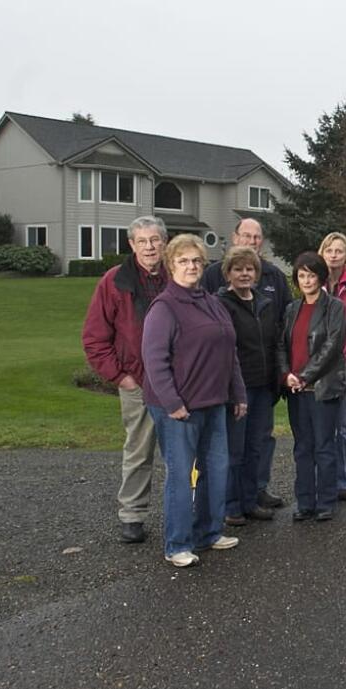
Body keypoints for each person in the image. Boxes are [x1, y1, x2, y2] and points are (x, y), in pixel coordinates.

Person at [141, 234, 247, 568]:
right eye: (184, 261)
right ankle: (178, 543)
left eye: (197, 261)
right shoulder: (164, 307)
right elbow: (154, 359)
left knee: (215, 470)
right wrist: (173, 404)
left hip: (214, 402)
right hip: (178, 408)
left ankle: (209, 532)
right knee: (181, 475)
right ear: (171, 265)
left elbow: (230, 353)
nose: (191, 266)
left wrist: (239, 393)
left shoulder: (212, 302)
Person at [82, 216, 168, 544]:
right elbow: (95, 337)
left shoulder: (178, 275)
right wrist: (119, 376)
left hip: (177, 382)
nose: (149, 247)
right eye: (142, 241)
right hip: (139, 383)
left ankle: (189, 511)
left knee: (184, 451)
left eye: (155, 240)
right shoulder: (115, 281)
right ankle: (132, 514)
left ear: (164, 241)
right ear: (131, 245)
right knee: (139, 449)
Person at [203, 217, 291, 510]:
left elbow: (283, 327)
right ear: (235, 236)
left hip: (264, 379)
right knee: (233, 445)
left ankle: (256, 492)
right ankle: (230, 501)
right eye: (246, 235)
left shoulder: (274, 278)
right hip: (232, 382)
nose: (252, 241)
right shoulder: (214, 280)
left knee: (260, 441)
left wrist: (281, 373)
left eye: (257, 237)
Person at [278, 252, 346, 522]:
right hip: (296, 389)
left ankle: (326, 501)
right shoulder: (291, 309)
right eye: (302, 275)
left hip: (322, 388)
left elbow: (332, 346)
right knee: (302, 447)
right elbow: (281, 345)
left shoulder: (334, 307)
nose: (307, 280)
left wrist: (305, 375)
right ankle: (305, 502)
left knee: (324, 446)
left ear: (321, 277)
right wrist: (286, 375)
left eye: (312, 275)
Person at [216, 246, 279, 527]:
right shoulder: (221, 304)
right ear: (228, 273)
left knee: (256, 446)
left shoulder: (265, 303)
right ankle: (231, 505)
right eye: (238, 269)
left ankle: (251, 500)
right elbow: (224, 349)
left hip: (263, 386)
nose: (244, 274)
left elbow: (274, 343)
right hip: (236, 388)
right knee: (234, 449)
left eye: (249, 269)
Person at [319, 232, 346, 502]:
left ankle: (344, 480)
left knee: (345, 426)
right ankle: (323, 480)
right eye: (329, 250)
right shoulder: (314, 282)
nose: (334, 255)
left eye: (339, 251)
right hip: (321, 363)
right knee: (322, 427)